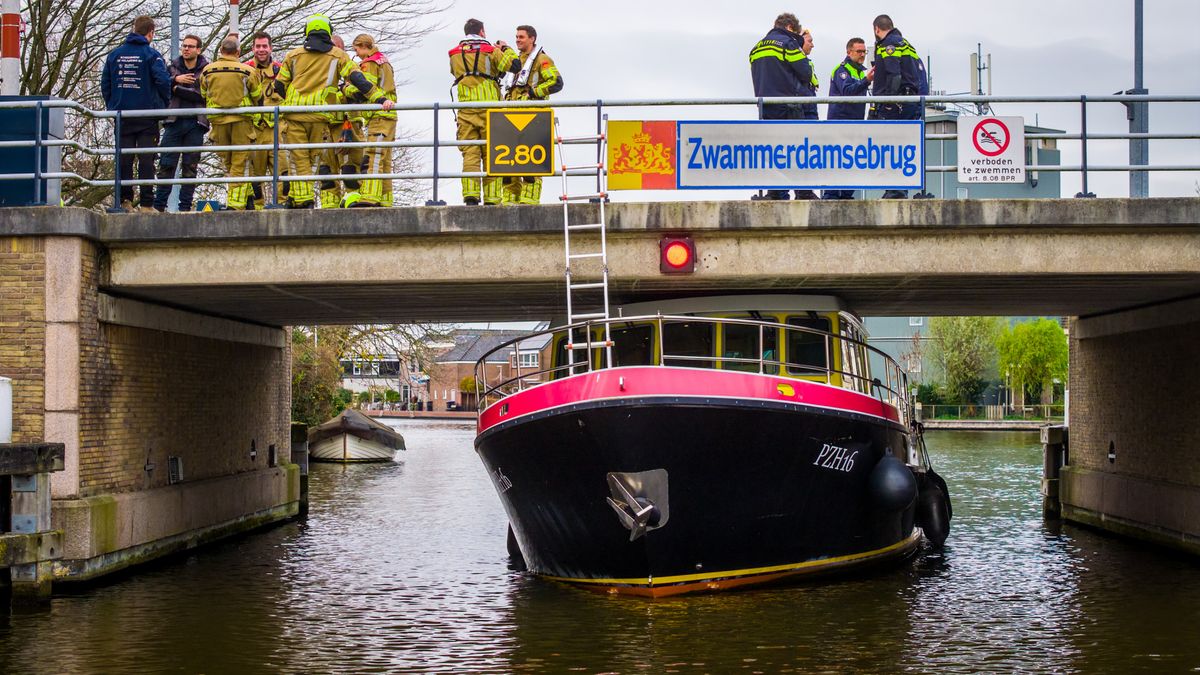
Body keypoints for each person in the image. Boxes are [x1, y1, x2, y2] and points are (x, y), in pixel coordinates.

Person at [275, 14, 393, 208]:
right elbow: (360, 81)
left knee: (299, 158)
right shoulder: (338, 57)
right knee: (316, 161)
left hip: (297, 115)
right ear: (328, 35)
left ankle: (301, 200)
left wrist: (292, 99)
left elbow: (279, 85)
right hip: (321, 117)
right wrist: (379, 98)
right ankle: (305, 200)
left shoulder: (292, 55)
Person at [101, 15, 171, 213]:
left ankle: (125, 201)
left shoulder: (114, 55)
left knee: (124, 159)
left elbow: (105, 84)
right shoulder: (151, 55)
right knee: (147, 159)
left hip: (122, 116)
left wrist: (113, 106)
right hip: (147, 117)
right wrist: (163, 105)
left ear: (133, 29)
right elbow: (163, 81)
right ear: (151, 33)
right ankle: (147, 204)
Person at [449, 18, 520, 205]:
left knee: (470, 154)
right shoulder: (491, 50)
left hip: (465, 110)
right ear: (482, 32)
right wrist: (505, 48)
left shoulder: (454, 53)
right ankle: (492, 198)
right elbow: (514, 66)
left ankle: (471, 196)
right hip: (491, 110)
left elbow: (457, 74)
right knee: (492, 154)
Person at [748, 13, 815, 201]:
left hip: (766, 107)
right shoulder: (787, 43)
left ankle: (776, 193)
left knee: (773, 150)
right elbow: (805, 72)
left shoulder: (756, 48)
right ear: (790, 27)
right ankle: (803, 192)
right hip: (789, 105)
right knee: (797, 150)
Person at [501, 24, 562, 206]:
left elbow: (556, 82)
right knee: (508, 164)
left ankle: (529, 203)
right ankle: (509, 203)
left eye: (521, 37)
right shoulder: (516, 61)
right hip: (511, 118)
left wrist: (534, 92)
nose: (518, 40)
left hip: (534, 118)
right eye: (516, 37)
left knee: (531, 165)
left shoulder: (542, 59)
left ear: (532, 39)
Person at [200, 37, 263, 210]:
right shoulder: (247, 71)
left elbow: (203, 93)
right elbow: (257, 95)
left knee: (227, 161)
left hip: (218, 122)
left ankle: (247, 196)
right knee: (240, 162)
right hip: (241, 122)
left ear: (221, 50)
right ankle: (237, 204)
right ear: (238, 52)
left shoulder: (207, 71)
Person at [870, 14, 927, 199]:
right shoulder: (907, 44)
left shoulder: (889, 45)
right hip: (910, 102)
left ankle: (895, 190)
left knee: (892, 145)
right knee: (903, 146)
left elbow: (893, 75)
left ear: (877, 29)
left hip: (897, 105)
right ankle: (898, 188)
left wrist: (887, 101)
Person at [152, 34, 208, 213]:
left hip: (196, 123)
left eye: (191, 46)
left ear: (198, 49)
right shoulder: (172, 69)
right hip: (173, 121)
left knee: (190, 167)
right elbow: (160, 87)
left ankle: (185, 208)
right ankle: (159, 206)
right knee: (166, 164)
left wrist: (176, 89)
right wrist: (174, 81)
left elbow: (203, 95)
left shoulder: (207, 70)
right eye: (184, 46)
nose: (186, 49)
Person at [342, 34, 396, 208]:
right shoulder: (384, 61)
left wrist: (346, 89)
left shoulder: (370, 64)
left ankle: (369, 197)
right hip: (389, 116)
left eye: (356, 49)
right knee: (385, 160)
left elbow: (363, 89)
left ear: (363, 46)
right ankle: (385, 200)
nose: (356, 54)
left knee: (373, 156)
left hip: (379, 114)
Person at [822, 37, 874, 200]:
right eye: (859, 51)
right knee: (837, 159)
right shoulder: (842, 70)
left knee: (852, 160)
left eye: (864, 51)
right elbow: (847, 91)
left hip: (854, 124)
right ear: (849, 52)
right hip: (840, 123)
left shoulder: (859, 71)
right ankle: (831, 194)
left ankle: (846, 193)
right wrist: (867, 81)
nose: (862, 55)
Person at [320, 35, 367, 208]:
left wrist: (342, 92)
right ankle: (328, 208)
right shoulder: (319, 68)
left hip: (347, 124)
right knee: (325, 170)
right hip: (325, 125)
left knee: (350, 168)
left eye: (335, 47)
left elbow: (359, 91)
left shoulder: (350, 68)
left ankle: (353, 203)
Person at [244, 31, 287, 208]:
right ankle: (256, 210)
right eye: (258, 46)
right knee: (255, 176)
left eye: (264, 46)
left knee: (283, 172)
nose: (261, 50)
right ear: (253, 48)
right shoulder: (245, 69)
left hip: (279, 129)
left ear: (270, 48)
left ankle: (283, 207)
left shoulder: (281, 69)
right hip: (254, 130)